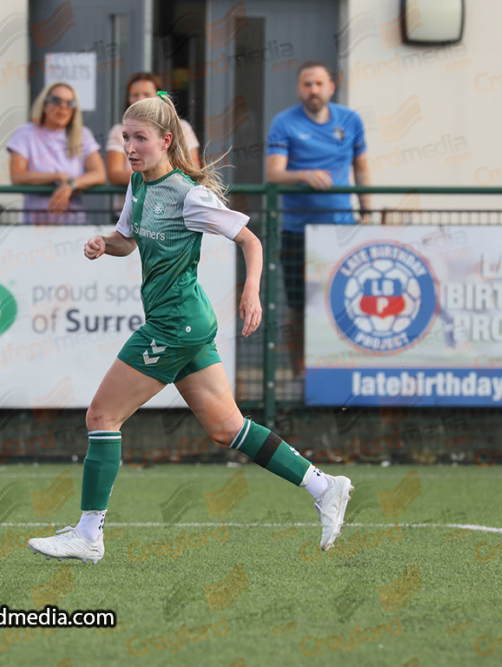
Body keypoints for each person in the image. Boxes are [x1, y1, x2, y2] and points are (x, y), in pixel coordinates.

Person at [27, 92, 354, 564]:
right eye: (126, 138)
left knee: (101, 417)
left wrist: (251, 291)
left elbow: (251, 240)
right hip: (185, 321)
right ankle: (324, 487)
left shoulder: (189, 194)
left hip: (174, 324)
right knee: (227, 429)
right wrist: (105, 243)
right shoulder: (138, 184)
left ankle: (88, 534)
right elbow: (127, 241)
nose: (131, 147)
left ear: (166, 140)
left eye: (140, 138)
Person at [265, 61, 370, 383]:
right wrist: (303, 175)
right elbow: (273, 173)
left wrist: (367, 212)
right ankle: (299, 374)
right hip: (298, 230)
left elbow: (362, 168)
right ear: (299, 89)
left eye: (319, 83)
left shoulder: (350, 120)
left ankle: (340, 374)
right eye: (307, 84)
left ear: (331, 86)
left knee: (344, 302)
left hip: (342, 229)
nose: (314, 90)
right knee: (298, 306)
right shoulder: (284, 122)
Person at [7, 81, 105, 224]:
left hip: (74, 223)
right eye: (56, 100)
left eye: (70, 103)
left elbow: (99, 174)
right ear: (44, 104)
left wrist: (70, 185)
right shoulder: (25, 134)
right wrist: (57, 176)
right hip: (36, 225)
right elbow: (17, 176)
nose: (63, 107)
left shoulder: (83, 134)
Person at [105, 72, 201, 186]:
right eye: (126, 137)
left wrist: (154, 174)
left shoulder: (182, 127)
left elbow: (192, 168)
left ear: (167, 140)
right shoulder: (118, 130)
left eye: (146, 94)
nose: (140, 99)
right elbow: (115, 174)